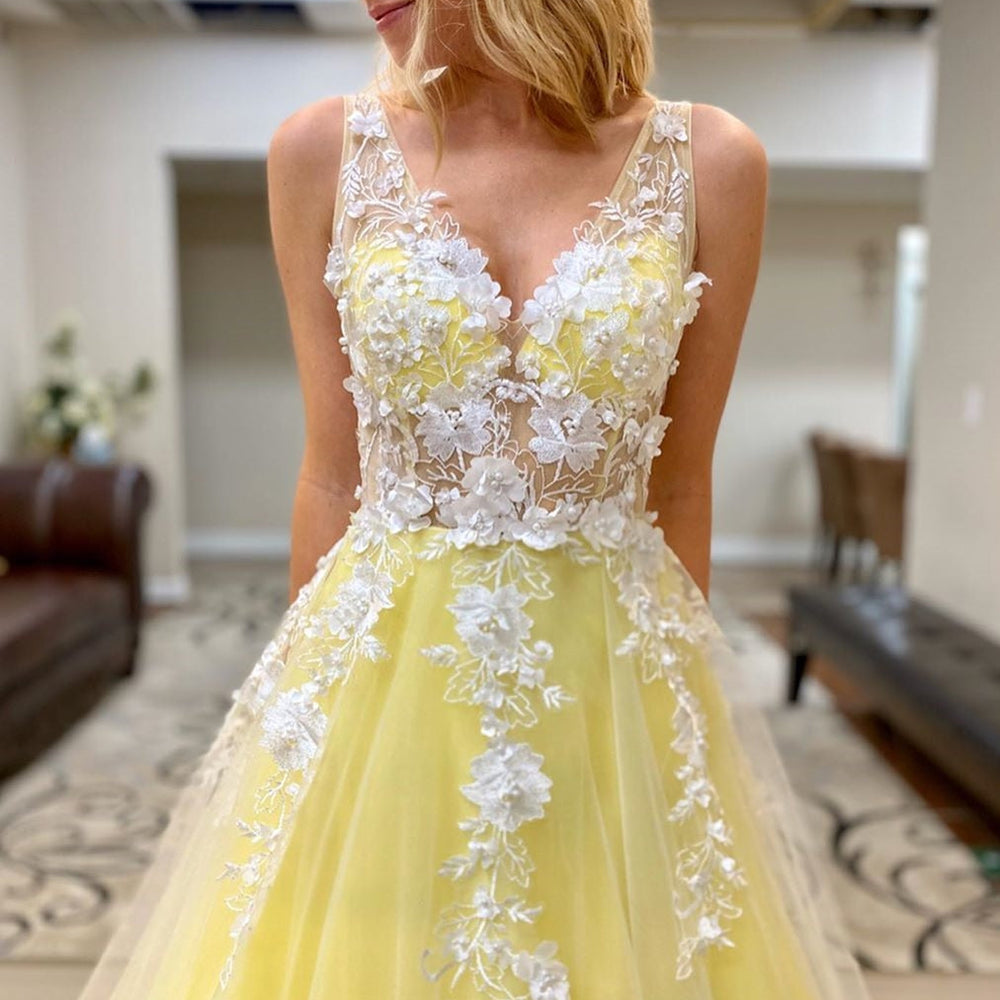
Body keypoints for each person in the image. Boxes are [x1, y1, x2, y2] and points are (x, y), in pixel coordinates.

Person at [80, 1, 871, 997]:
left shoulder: (710, 162)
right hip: (382, 669)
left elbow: (679, 481)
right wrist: (305, 731)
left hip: (607, 672)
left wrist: (671, 739)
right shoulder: (321, 151)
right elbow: (332, 471)